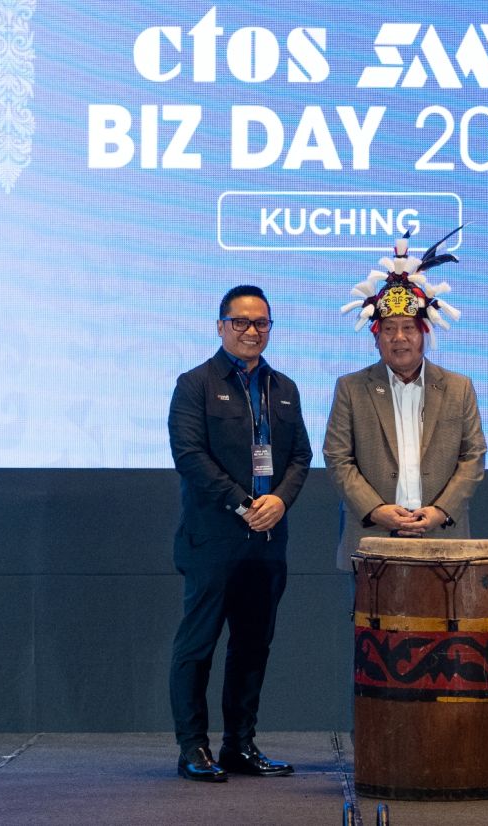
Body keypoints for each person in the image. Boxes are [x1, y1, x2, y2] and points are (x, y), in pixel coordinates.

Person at [167, 285, 312, 782]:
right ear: (221, 326)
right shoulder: (195, 384)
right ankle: (193, 749)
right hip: (213, 540)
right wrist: (242, 501)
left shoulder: (284, 388)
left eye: (262, 324)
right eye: (242, 322)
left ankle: (240, 745)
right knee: (198, 645)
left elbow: (300, 457)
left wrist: (279, 501)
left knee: (253, 646)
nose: (253, 332)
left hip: (267, 542)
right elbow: (189, 456)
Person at [324, 228, 486, 572]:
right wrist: (376, 509)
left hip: (443, 540)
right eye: (388, 329)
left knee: (445, 629)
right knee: (373, 629)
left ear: (424, 332)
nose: (399, 338)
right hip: (373, 541)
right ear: (376, 336)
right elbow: (339, 459)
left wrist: (440, 511)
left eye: (408, 328)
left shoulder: (459, 388)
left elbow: (473, 457)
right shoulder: (351, 388)